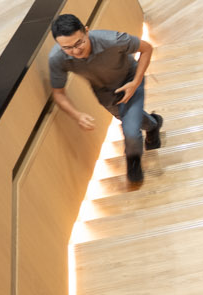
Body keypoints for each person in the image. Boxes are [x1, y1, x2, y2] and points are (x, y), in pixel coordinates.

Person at [48, 13, 163, 185]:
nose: (76, 50)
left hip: (130, 80)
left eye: (79, 42)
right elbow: (58, 93)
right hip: (104, 93)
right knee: (128, 120)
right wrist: (77, 115)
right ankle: (153, 124)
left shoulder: (112, 40)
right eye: (68, 48)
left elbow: (146, 48)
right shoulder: (57, 58)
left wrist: (136, 82)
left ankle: (133, 163)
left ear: (86, 31)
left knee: (130, 129)